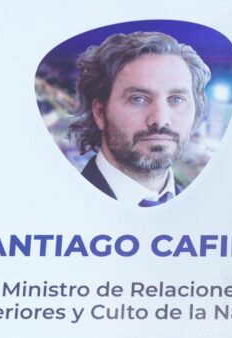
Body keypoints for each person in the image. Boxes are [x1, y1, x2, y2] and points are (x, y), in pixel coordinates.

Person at [68, 31, 211, 207]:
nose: (160, 120)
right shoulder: (64, 208)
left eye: (177, 99)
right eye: (138, 99)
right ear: (99, 112)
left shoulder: (205, 212)